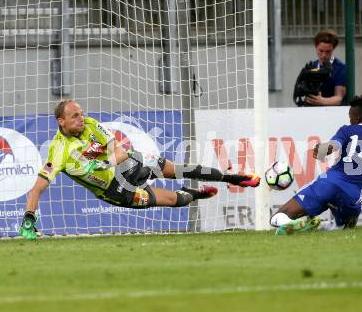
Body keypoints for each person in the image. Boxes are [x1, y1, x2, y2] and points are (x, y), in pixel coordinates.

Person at [19, 99, 260, 239]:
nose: (81, 119)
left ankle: (236, 177)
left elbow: (119, 151)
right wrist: (29, 218)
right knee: (177, 200)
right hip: (114, 192)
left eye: (81, 114)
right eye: (74, 116)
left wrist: (104, 162)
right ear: (61, 121)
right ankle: (195, 193)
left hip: (127, 168)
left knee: (180, 168)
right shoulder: (58, 151)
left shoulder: (91, 125)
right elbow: (37, 189)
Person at [270, 95, 362, 235]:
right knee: (344, 227)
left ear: (357, 117)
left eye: (350, 116)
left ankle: (296, 223)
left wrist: (321, 150)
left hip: (327, 185)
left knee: (277, 218)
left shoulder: (347, 130)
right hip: (351, 198)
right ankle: (322, 225)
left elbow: (333, 146)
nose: (350, 120)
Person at [294, 29, 346, 106]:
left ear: (333, 48)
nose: (324, 55)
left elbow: (338, 98)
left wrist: (321, 101)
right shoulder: (311, 67)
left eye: (328, 51)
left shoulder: (341, 68)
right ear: (316, 47)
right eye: (321, 51)